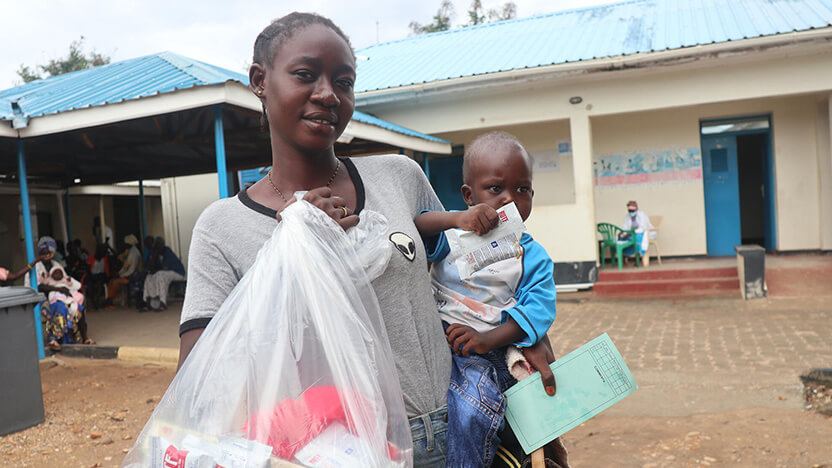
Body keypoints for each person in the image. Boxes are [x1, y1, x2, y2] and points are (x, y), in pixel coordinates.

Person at [176, 13, 558, 467]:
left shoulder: (400, 176)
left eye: (343, 81)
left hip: (461, 426)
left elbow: (469, 273)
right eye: (305, 74)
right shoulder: (222, 227)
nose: (326, 93)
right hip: (339, 451)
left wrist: (518, 337)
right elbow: (202, 384)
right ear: (260, 80)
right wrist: (295, 250)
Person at [414, 131, 569, 468]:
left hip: (487, 354)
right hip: (439, 348)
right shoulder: (453, 238)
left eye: (522, 189)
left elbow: (537, 310)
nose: (510, 200)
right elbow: (417, 224)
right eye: (496, 189)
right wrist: (456, 219)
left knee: (474, 412)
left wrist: (486, 340)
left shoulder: (531, 255)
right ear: (469, 195)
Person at [26, 237, 94, 351]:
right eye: (44, 253)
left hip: (59, 296)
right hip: (39, 299)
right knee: (60, 308)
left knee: (79, 308)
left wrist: (67, 289)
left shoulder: (56, 264)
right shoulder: (36, 267)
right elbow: (37, 286)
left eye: (50, 253)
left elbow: (64, 279)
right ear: (40, 253)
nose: (47, 255)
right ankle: (53, 339)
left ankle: (84, 338)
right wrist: (58, 290)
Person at [141, 237, 185, 312]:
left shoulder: (167, 251)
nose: (157, 248)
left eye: (159, 246)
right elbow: (152, 267)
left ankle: (162, 303)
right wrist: (155, 255)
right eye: (156, 246)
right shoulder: (157, 254)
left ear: (162, 245)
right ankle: (148, 303)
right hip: (165, 273)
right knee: (149, 277)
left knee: (160, 275)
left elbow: (166, 267)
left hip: (178, 273)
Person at [108, 234, 142, 303]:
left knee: (115, 282)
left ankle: (110, 299)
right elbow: (125, 267)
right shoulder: (130, 251)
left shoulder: (134, 253)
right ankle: (111, 298)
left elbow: (131, 270)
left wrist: (120, 275)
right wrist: (119, 273)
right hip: (128, 274)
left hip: (133, 276)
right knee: (112, 280)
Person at [85, 243, 111, 309]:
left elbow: (106, 270)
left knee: (100, 283)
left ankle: (97, 301)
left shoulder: (105, 259)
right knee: (90, 285)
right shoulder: (91, 258)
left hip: (101, 275)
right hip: (91, 275)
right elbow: (87, 270)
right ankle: (93, 302)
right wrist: (92, 277)